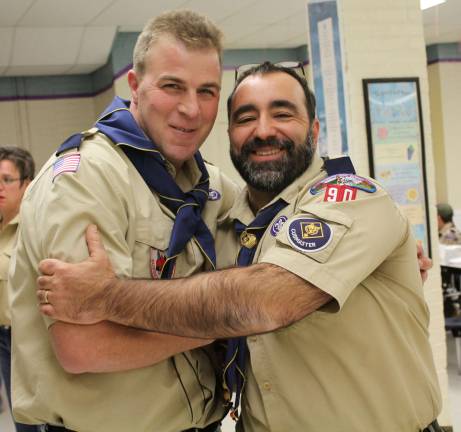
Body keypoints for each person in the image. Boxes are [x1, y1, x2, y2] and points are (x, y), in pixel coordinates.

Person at [37, 62, 441, 431]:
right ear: (229, 136)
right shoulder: (228, 223)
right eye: (246, 118)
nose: (263, 130)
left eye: (283, 113)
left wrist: (105, 297)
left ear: (314, 131)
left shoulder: (352, 196)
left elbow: (266, 300)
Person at [9, 10, 239, 432]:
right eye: (173, 86)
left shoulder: (201, 180)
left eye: (207, 91)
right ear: (134, 85)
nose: (192, 108)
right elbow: (83, 348)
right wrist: (224, 321)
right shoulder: (87, 178)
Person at [0, 146, 39, 432]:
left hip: (31, 338)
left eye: (6, 179)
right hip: (4, 340)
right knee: (21, 420)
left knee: (45, 419)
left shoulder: (35, 225)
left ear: (26, 183)